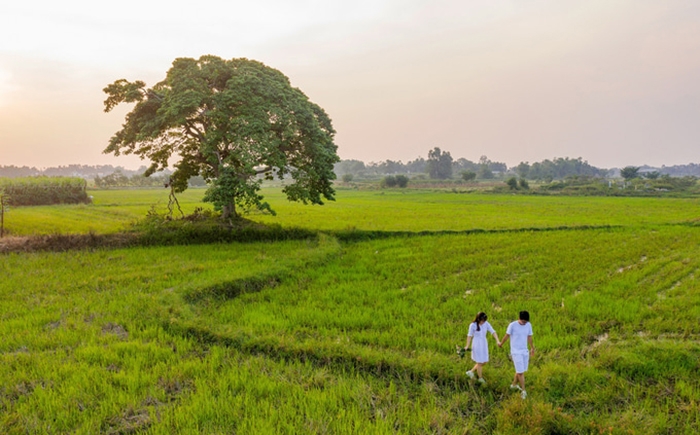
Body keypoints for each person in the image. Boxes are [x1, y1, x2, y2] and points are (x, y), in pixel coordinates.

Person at [499, 310, 534, 399]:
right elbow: (507, 335)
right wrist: (501, 343)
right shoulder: (512, 325)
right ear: (519, 319)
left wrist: (532, 348)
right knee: (520, 372)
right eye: (523, 321)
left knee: (520, 370)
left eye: (526, 322)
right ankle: (523, 390)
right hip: (516, 351)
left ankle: (514, 385)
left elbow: (529, 337)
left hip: (524, 351)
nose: (524, 323)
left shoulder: (528, 325)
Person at [464, 312, 499, 385]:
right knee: (479, 362)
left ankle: (471, 372)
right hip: (477, 344)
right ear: (478, 319)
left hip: (483, 343)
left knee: (484, 361)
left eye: (484, 320)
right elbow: (469, 335)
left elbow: (493, 331)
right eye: (482, 320)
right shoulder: (473, 325)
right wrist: (467, 345)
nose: (483, 322)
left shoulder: (486, 324)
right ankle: (480, 378)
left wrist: (497, 340)